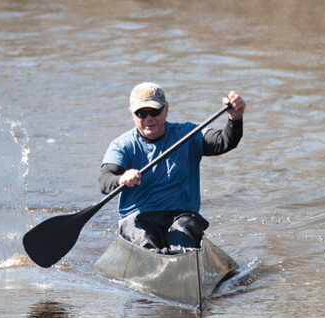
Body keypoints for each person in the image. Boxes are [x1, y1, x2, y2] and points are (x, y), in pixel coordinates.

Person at [99, 82, 246, 253]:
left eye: (155, 111)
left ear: (166, 109)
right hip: (139, 219)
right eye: (141, 113)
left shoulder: (188, 133)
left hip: (182, 216)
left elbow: (224, 141)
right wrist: (121, 178)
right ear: (132, 113)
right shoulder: (122, 146)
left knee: (184, 233)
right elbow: (105, 181)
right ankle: (153, 259)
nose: (149, 119)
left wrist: (235, 119)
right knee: (144, 239)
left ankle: (184, 260)